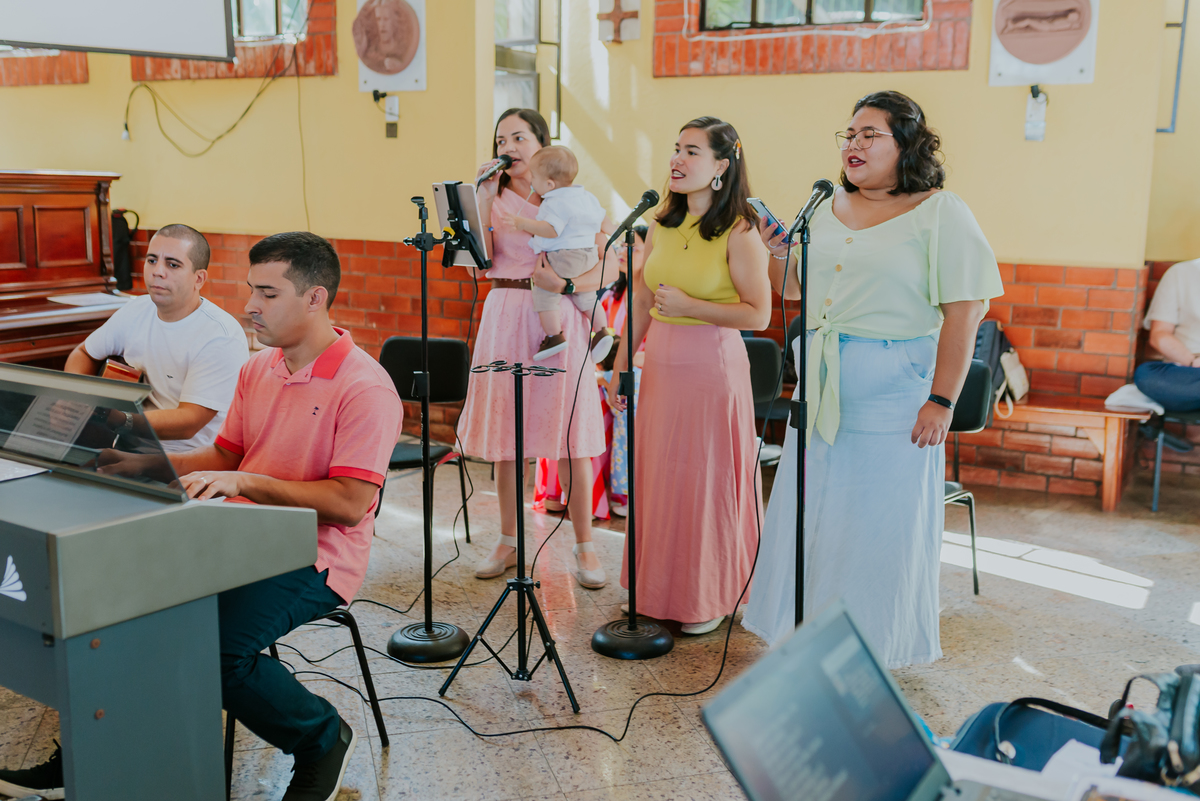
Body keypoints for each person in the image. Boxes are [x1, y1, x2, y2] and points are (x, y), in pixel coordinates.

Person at [0, 232, 402, 801]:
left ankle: (319, 736)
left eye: (268, 293)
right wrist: (142, 466)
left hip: (316, 558)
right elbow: (226, 456)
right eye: (250, 290)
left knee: (211, 645)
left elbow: (350, 503)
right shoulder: (258, 369)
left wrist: (246, 483)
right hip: (235, 537)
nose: (250, 306)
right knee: (113, 604)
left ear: (315, 299)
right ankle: (84, 755)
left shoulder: (365, 387)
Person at [742, 91, 1003, 668]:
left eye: (870, 134)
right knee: (818, 513)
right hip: (820, 382)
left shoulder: (941, 211)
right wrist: (778, 251)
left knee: (879, 523)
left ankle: (871, 652)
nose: (853, 144)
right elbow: (792, 290)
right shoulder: (825, 205)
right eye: (849, 134)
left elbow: (965, 312)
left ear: (905, 144)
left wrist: (940, 400)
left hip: (895, 387)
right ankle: (806, 638)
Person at [606, 116, 770, 636]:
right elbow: (644, 298)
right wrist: (618, 366)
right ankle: (658, 589)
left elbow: (758, 315)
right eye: (676, 148)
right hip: (660, 366)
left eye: (692, 151)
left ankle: (708, 595)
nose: (677, 159)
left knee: (704, 481)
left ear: (722, 166)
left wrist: (696, 306)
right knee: (660, 478)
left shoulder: (740, 231)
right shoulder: (660, 224)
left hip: (710, 368)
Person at [460, 108, 610, 590]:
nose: (509, 146)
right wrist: (482, 197)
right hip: (505, 308)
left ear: (541, 143)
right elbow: (473, 260)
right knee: (509, 437)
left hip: (557, 310)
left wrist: (567, 283)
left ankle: (585, 546)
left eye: (519, 137)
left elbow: (605, 258)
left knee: (569, 430)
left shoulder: (571, 197)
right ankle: (508, 540)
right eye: (501, 138)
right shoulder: (493, 194)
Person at [64, 224, 249, 451]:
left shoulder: (221, 335)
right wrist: (73, 399)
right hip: (124, 446)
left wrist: (119, 419)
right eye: (152, 260)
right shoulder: (136, 310)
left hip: (186, 463)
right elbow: (84, 352)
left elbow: (189, 422)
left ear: (199, 279)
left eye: (172, 264)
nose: (157, 271)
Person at [497, 145, 613, 363]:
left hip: (564, 256)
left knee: (545, 295)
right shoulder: (586, 196)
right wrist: (616, 231)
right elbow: (604, 221)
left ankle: (554, 336)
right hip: (587, 255)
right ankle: (601, 331)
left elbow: (551, 230)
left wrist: (523, 223)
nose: (532, 182)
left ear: (549, 184)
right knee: (587, 297)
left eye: (534, 178)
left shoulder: (554, 201)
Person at [1135, 258, 1200, 414]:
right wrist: (1193, 361)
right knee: (1146, 375)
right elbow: (1159, 335)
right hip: (1190, 372)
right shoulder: (1180, 273)